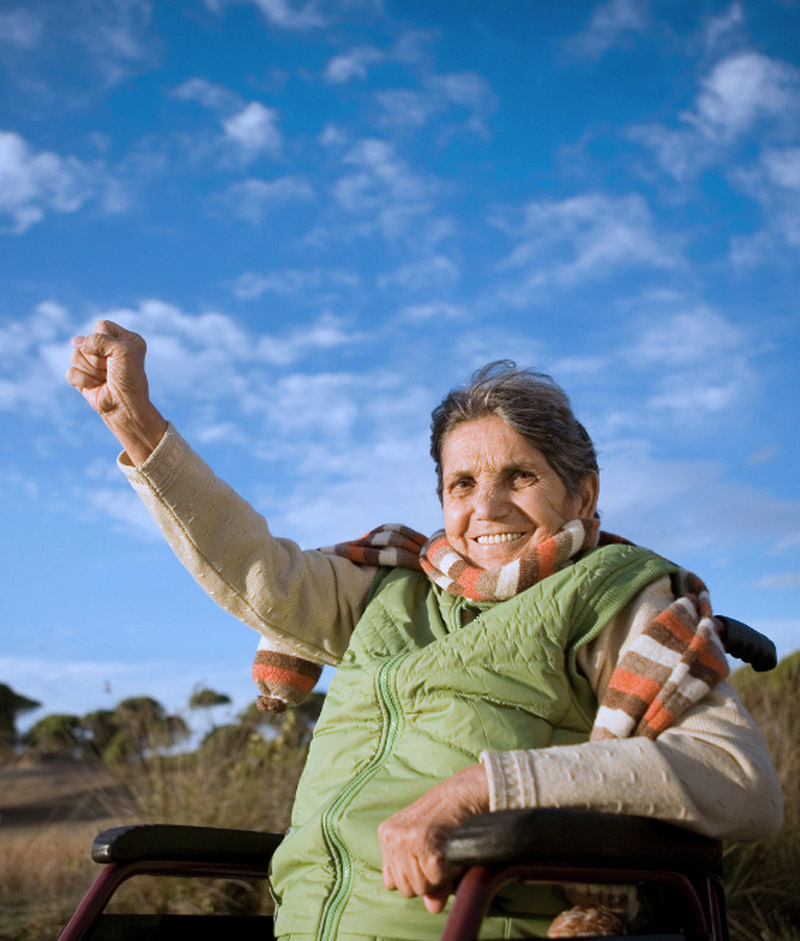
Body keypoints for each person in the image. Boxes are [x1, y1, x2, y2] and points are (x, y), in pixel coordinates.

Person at [67, 320, 782, 940]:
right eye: (462, 484)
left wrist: (481, 786)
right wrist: (135, 421)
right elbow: (256, 571)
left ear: (582, 492)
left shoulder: (613, 591)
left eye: (520, 476)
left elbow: (739, 779)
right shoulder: (391, 580)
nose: (488, 505)